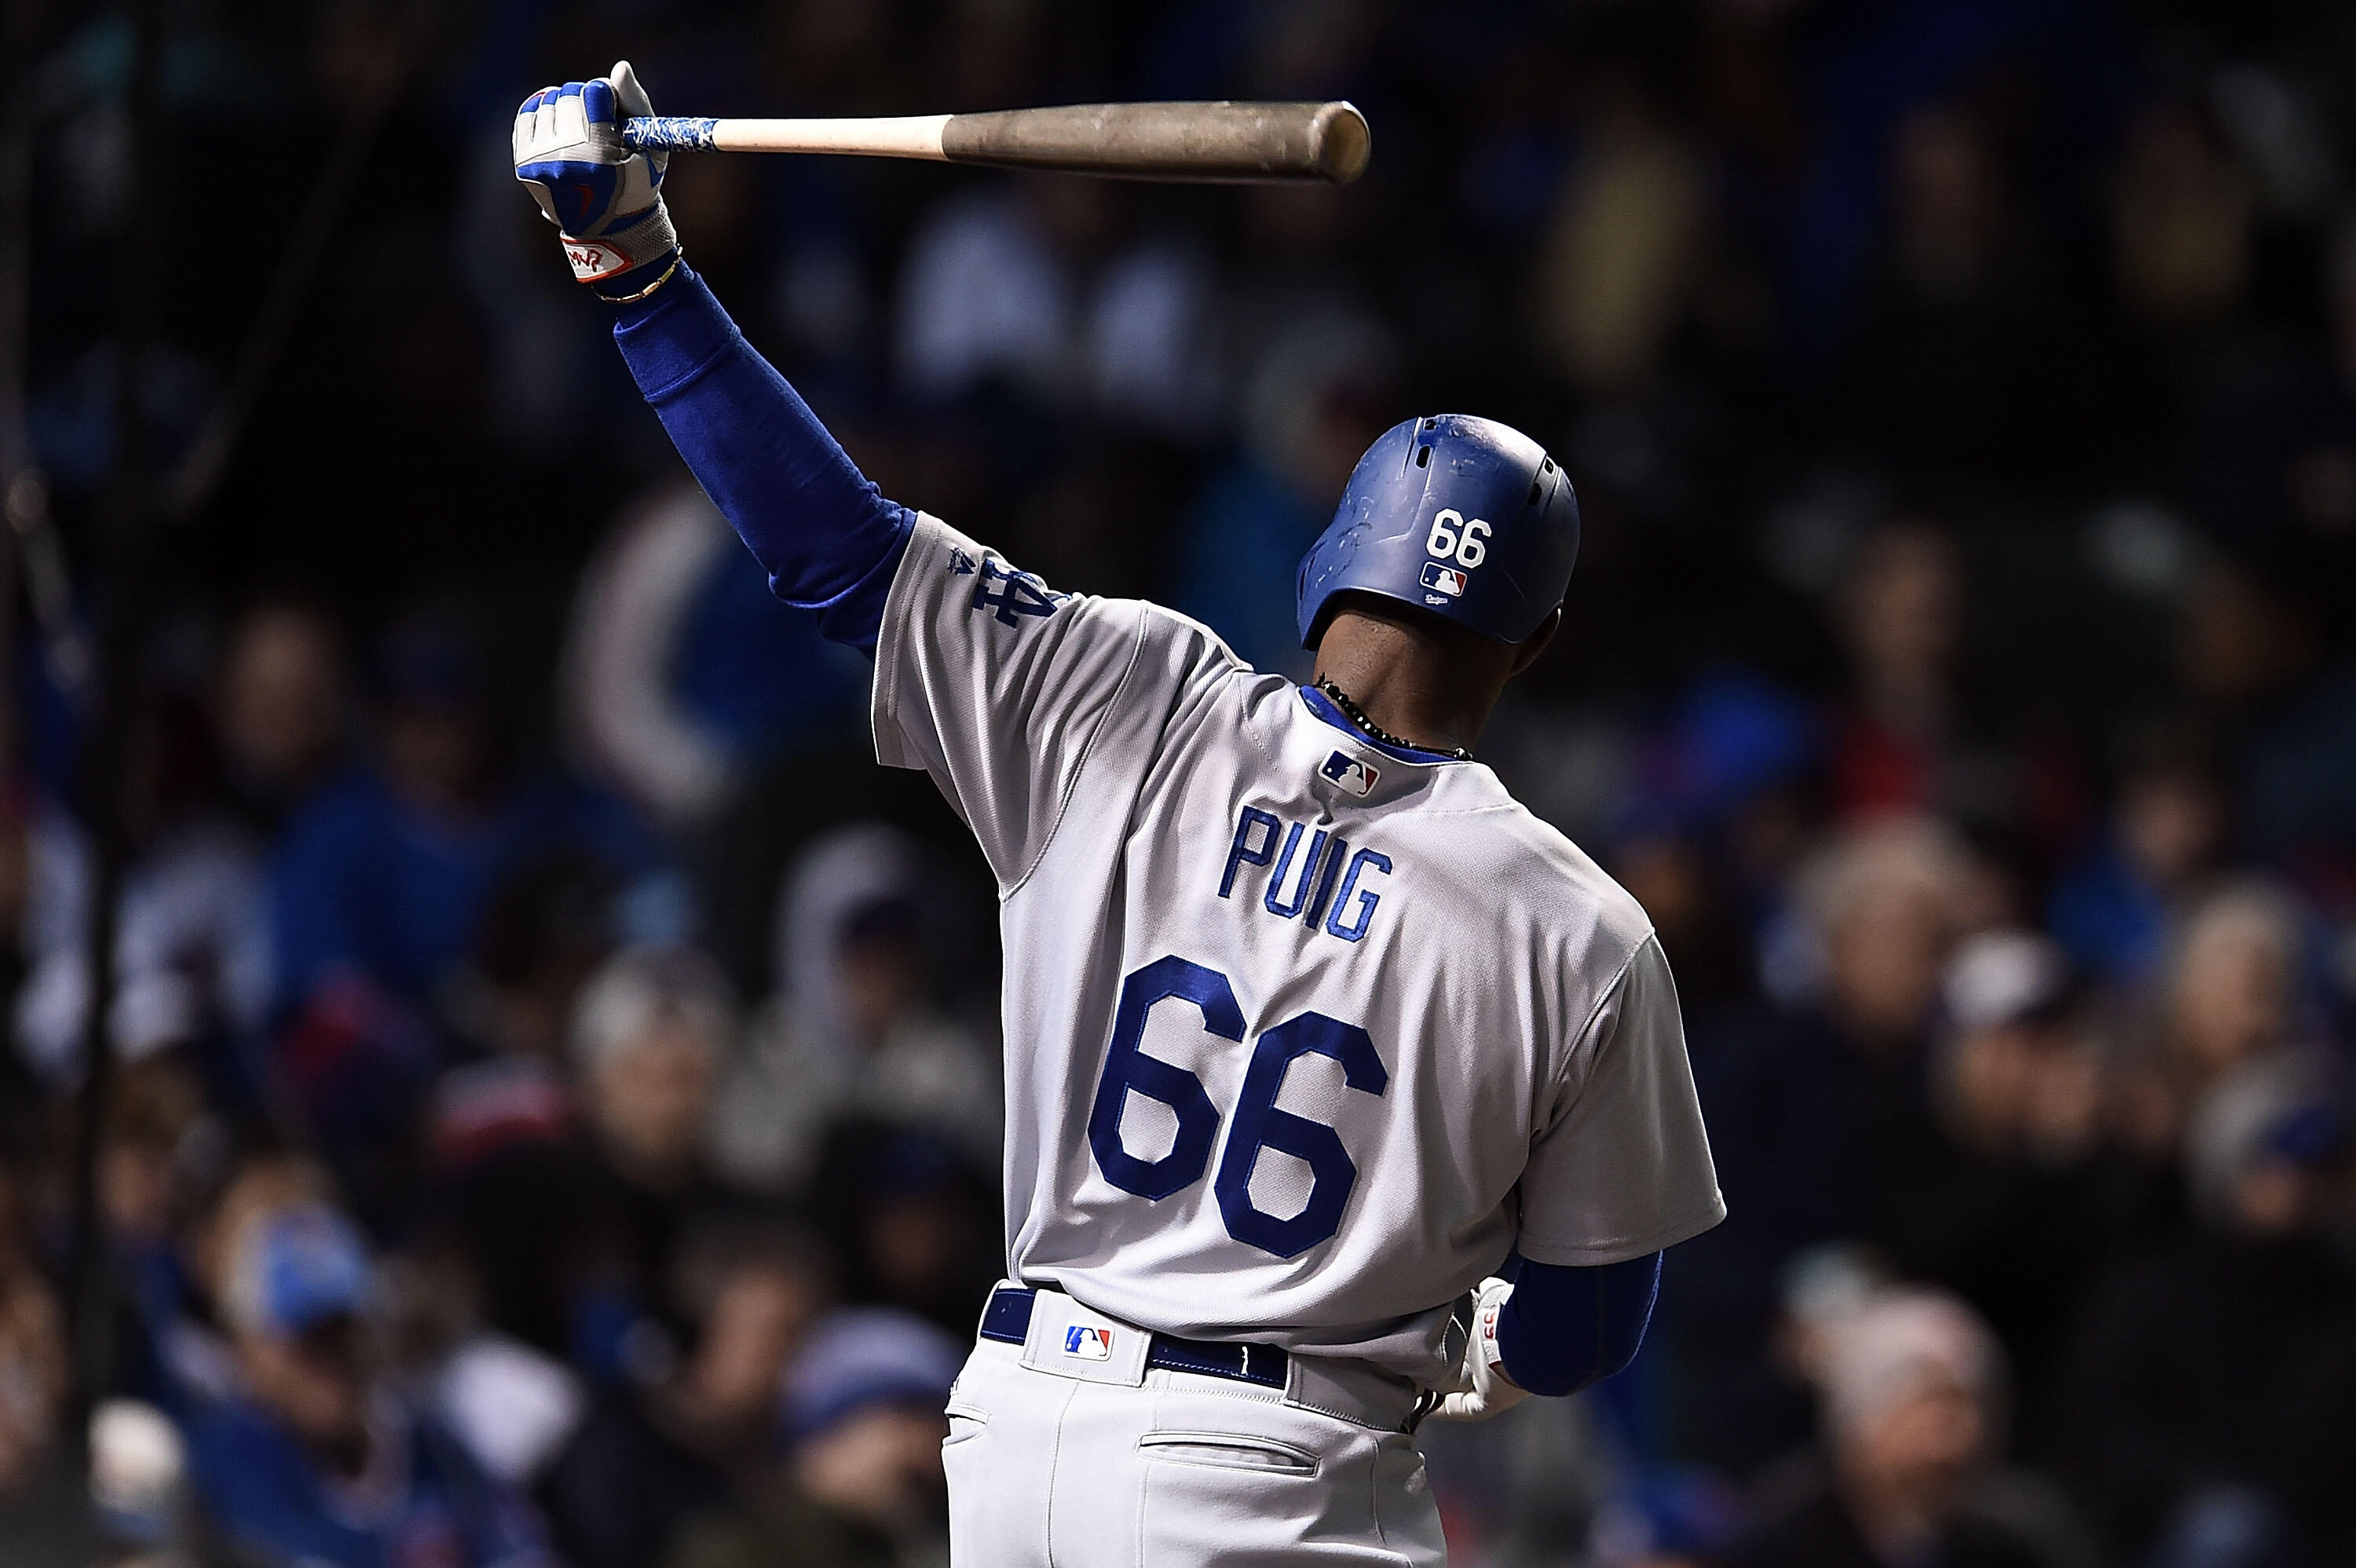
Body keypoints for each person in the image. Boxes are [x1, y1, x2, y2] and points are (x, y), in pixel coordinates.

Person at [515, 67, 1723, 1566]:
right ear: (1534, 645)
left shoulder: (1133, 694)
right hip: (1288, 1467)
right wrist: (1469, 1328)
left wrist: (638, 277)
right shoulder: (1580, 929)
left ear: (1322, 569)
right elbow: (1586, 1327)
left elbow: (832, 555)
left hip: (1025, 1425)